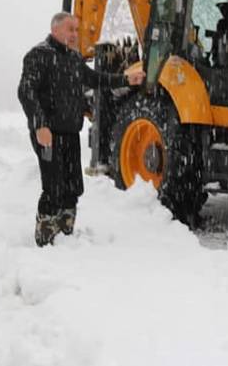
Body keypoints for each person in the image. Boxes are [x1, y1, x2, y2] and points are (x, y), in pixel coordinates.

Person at [18, 12, 145, 246]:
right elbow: (26, 92)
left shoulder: (74, 59)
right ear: (55, 30)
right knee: (53, 186)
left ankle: (66, 232)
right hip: (48, 134)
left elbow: (97, 79)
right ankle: (45, 237)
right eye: (70, 30)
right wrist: (40, 125)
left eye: (77, 30)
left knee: (73, 185)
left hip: (69, 132)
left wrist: (128, 80)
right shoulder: (39, 55)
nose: (75, 35)